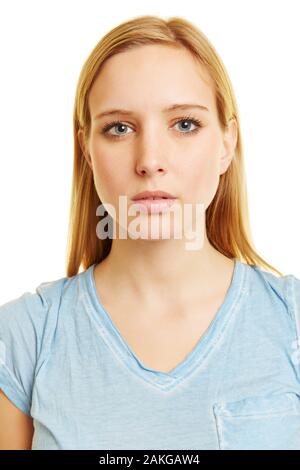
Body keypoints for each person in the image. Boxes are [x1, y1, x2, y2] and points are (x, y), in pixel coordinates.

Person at [0, 14, 300, 451]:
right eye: (119, 128)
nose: (150, 159)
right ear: (87, 149)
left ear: (226, 144)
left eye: (184, 124)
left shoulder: (290, 322)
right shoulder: (23, 337)